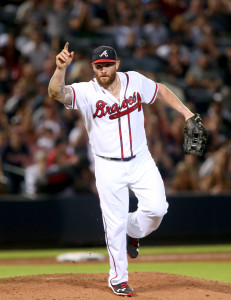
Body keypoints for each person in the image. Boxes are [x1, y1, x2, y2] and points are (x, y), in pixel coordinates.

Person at [48, 43, 195, 297]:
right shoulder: (86, 92)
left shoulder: (135, 81)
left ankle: (132, 230)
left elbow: (159, 90)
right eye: (98, 67)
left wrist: (186, 113)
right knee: (112, 224)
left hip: (140, 159)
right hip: (107, 165)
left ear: (117, 64)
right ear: (93, 69)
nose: (103, 70)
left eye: (107, 65)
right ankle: (118, 278)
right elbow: (56, 93)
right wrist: (60, 69)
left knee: (157, 209)